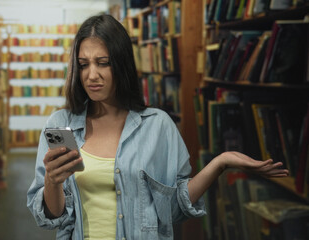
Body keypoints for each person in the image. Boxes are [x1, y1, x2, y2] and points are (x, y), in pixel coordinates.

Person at [27, 14, 288, 240]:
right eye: (84, 64)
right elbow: (52, 217)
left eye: (103, 63)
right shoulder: (61, 125)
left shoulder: (157, 125)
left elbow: (175, 208)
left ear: (121, 64)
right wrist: (52, 181)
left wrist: (221, 162)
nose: (91, 75)